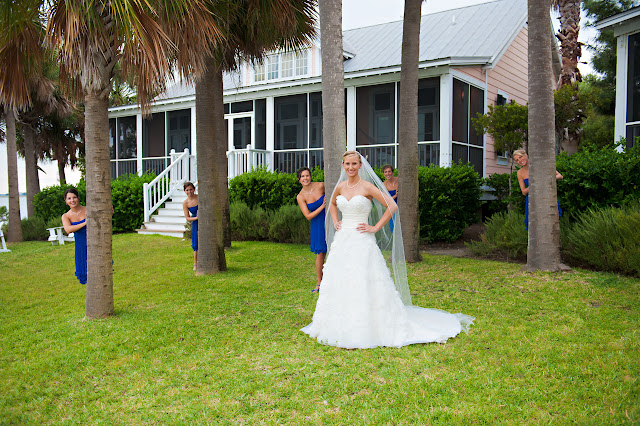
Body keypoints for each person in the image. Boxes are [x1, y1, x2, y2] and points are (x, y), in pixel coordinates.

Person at [300, 151, 474, 349]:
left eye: (354, 164)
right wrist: (335, 220)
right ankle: (339, 323)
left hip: (362, 241)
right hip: (342, 241)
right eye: (347, 164)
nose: (350, 167)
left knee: (364, 280)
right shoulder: (340, 186)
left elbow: (392, 206)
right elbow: (331, 204)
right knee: (341, 279)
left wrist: (374, 228)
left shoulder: (367, 187)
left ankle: (367, 325)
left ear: (360, 165)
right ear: (343, 165)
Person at [513, 149, 563, 230]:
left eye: (520, 157)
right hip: (532, 201)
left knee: (550, 224)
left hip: (546, 197)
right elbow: (523, 192)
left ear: (525, 154)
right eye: (517, 160)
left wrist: (544, 180)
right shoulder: (520, 173)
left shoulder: (540, 164)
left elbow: (560, 176)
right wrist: (533, 186)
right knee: (535, 227)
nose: (520, 161)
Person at [296, 167, 327, 293]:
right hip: (317, 225)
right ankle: (320, 282)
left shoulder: (321, 186)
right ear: (299, 180)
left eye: (307, 175)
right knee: (320, 254)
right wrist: (322, 206)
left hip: (329, 219)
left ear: (310, 176)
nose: (305, 178)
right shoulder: (300, 196)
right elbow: (308, 216)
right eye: (302, 177)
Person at [61, 187, 87, 285]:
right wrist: (85, 223)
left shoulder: (87, 209)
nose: (72, 200)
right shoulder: (66, 216)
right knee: (85, 273)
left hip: (94, 243)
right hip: (81, 246)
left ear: (78, 198)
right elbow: (68, 229)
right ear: (66, 201)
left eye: (74, 197)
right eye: (69, 198)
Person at [182, 182, 198, 270]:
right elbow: (187, 218)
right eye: (187, 190)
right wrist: (196, 218)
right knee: (195, 242)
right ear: (184, 191)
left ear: (194, 189)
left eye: (191, 189)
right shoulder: (185, 203)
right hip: (195, 222)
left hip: (205, 221)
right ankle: (195, 264)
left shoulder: (199, 197)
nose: (189, 191)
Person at [382, 164, 398, 233]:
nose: (387, 174)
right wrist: (396, 195)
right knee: (393, 226)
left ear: (393, 172)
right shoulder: (384, 185)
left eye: (389, 171)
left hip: (403, 206)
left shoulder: (399, 180)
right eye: (385, 172)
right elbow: (386, 200)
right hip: (392, 208)